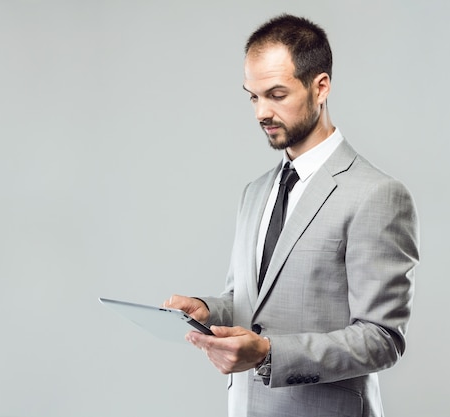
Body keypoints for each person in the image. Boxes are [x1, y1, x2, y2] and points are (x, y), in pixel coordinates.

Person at [163, 13, 419, 417]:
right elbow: (249, 302)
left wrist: (269, 354)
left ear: (321, 87)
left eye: (276, 95)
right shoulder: (255, 192)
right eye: (253, 96)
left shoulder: (377, 195)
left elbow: (382, 338)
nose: (261, 112)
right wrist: (208, 311)